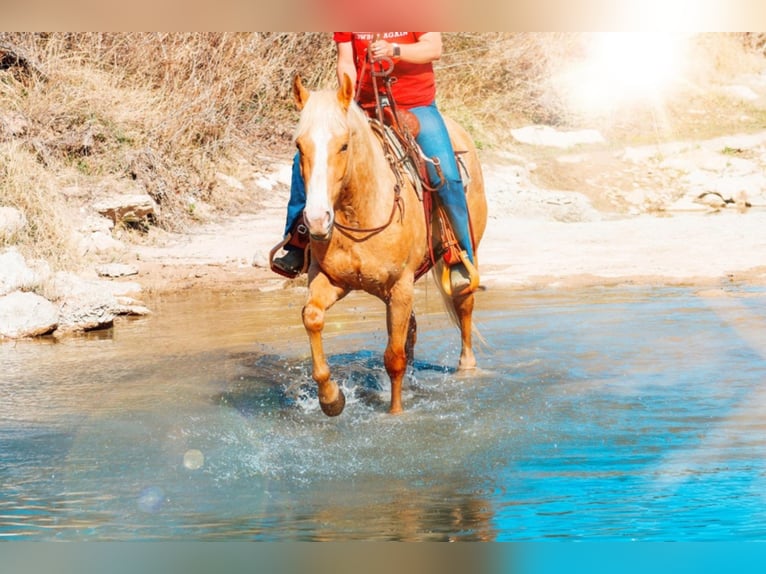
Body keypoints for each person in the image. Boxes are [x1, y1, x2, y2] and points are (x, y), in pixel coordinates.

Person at [272, 32, 476, 292]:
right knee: (308, 157)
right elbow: (345, 60)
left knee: (445, 173)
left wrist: (394, 50)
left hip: (415, 105)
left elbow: (433, 48)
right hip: (364, 104)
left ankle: (459, 254)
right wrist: (349, 100)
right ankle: (297, 244)